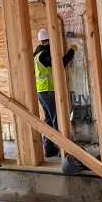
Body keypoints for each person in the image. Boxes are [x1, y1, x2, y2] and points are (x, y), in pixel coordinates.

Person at [34, 28, 77, 158]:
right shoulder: (42, 55)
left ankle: (49, 147)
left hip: (43, 91)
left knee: (48, 119)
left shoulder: (40, 53)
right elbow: (60, 64)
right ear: (46, 41)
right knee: (57, 119)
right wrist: (71, 51)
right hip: (47, 91)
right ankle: (63, 149)